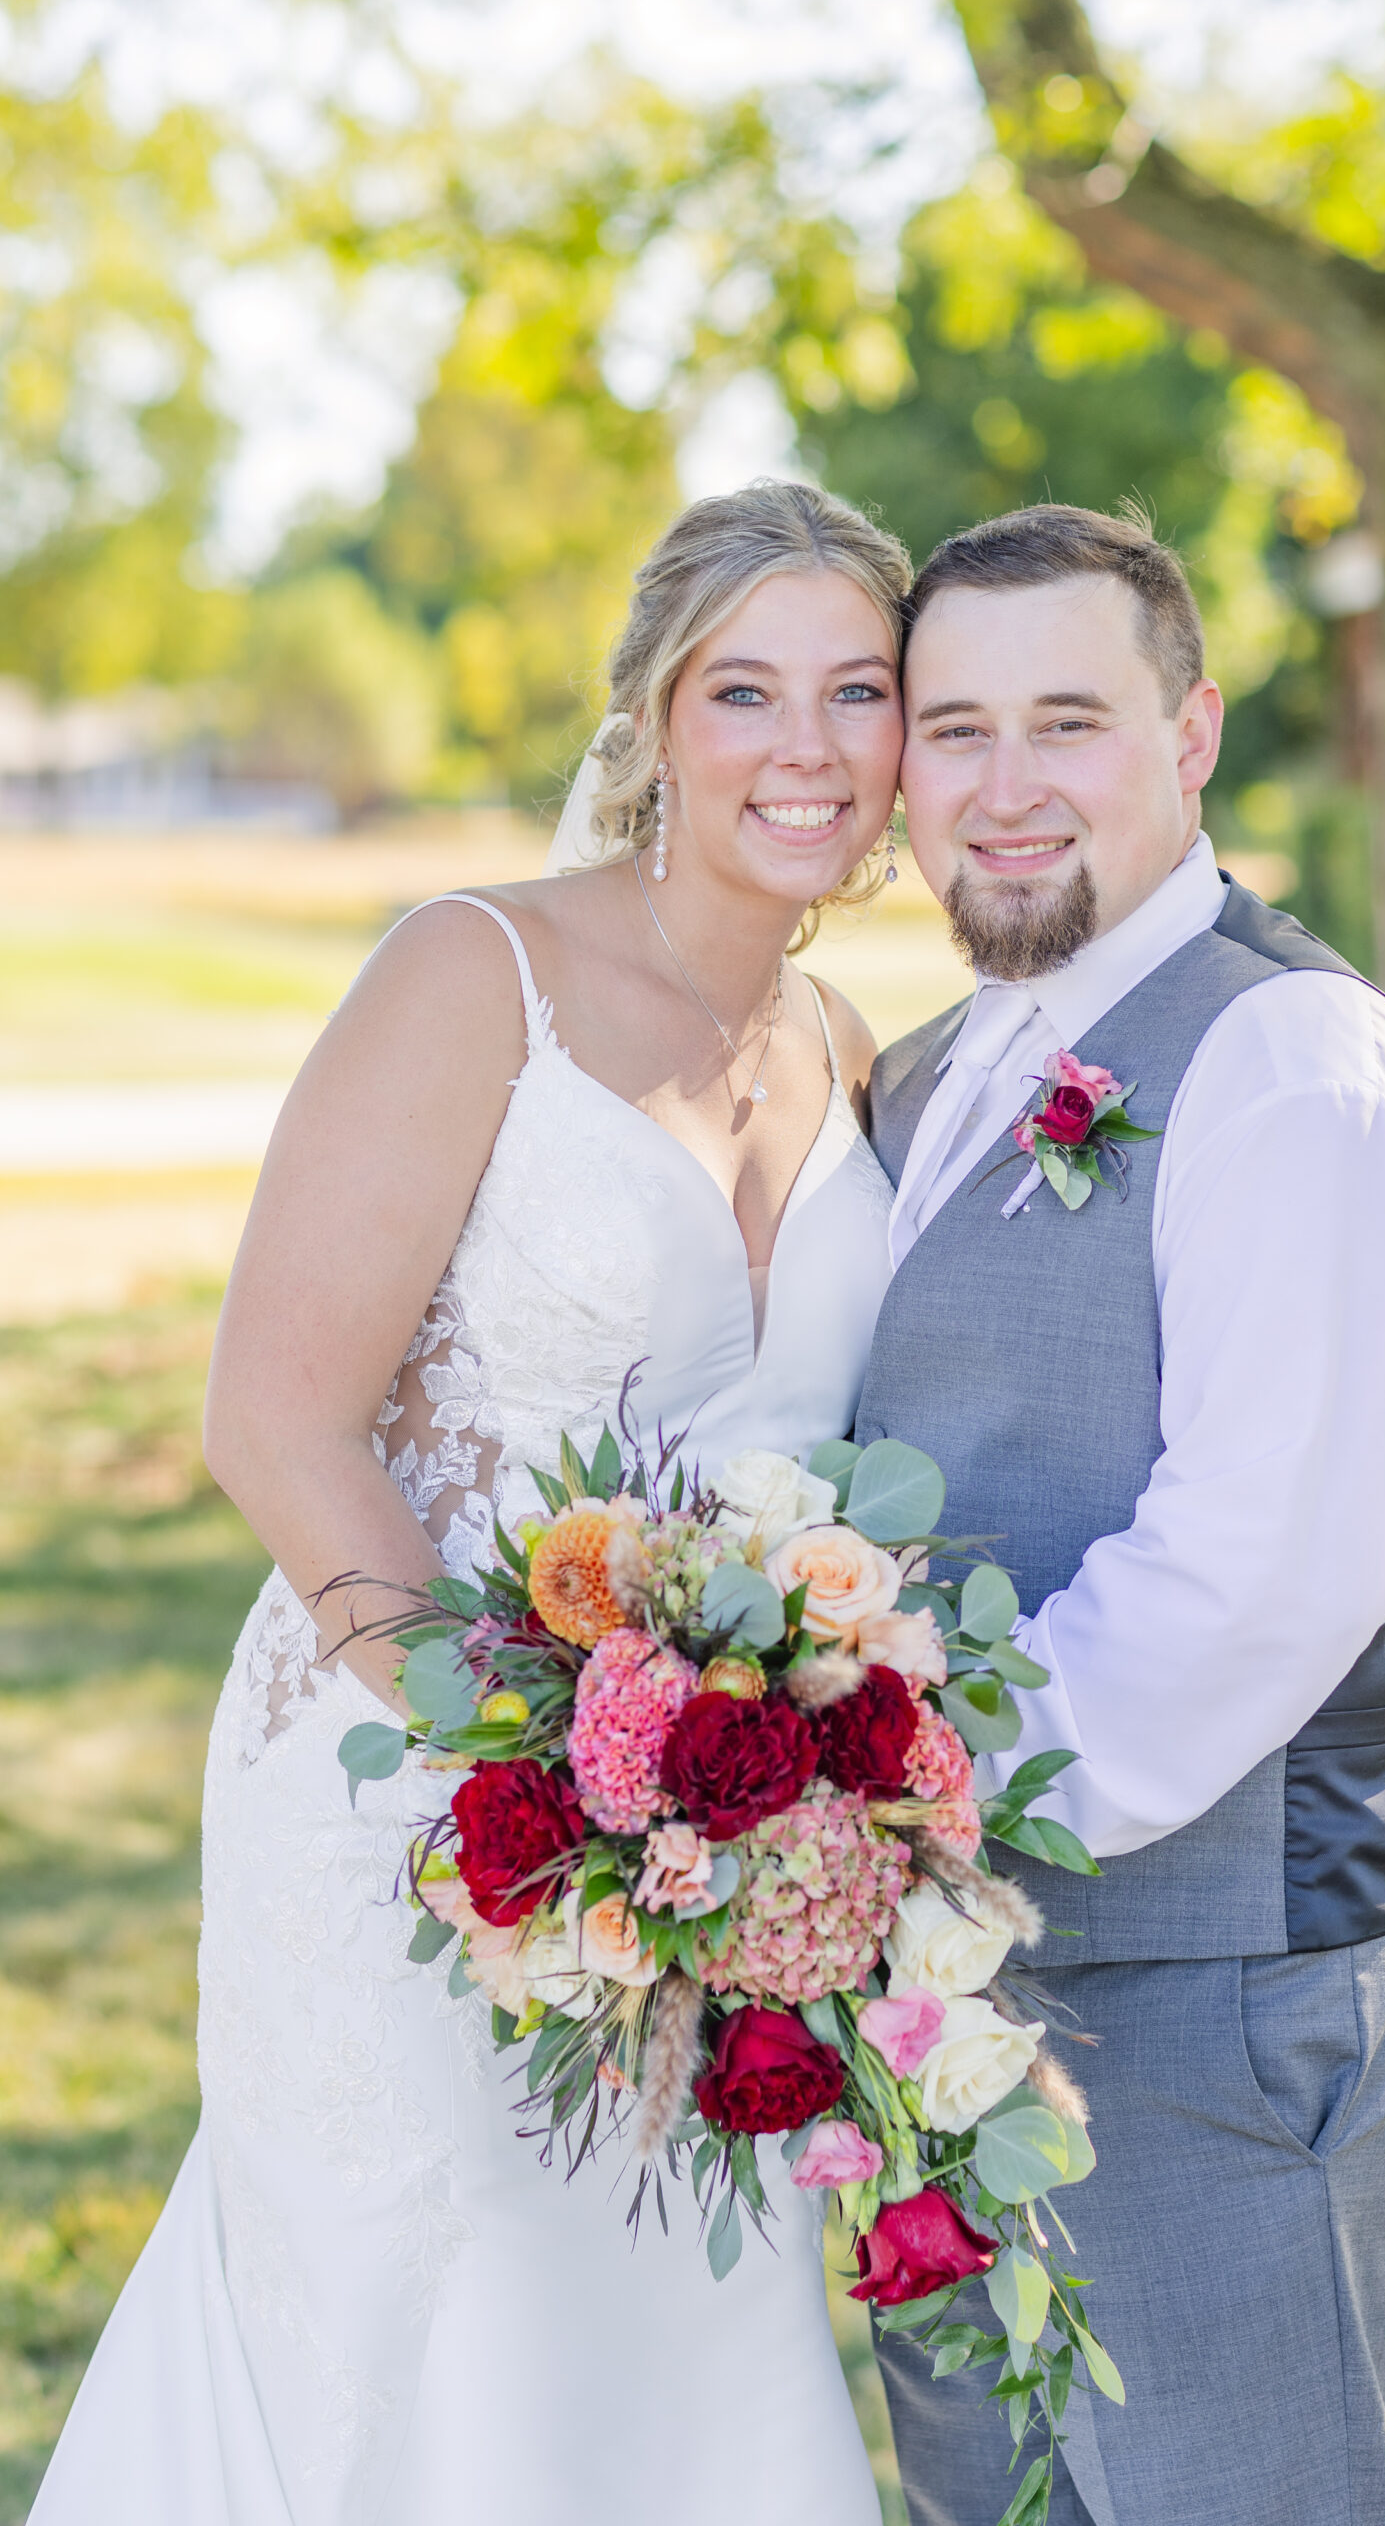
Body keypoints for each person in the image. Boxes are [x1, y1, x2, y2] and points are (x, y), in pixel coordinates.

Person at [29, 481, 907, 2526]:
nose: (804, 743)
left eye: (854, 691)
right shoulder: (473, 973)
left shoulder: (842, 1043)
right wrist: (542, 1796)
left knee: (668, 2328)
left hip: (708, 1821)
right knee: (440, 2332)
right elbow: (276, 1418)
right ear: (654, 719)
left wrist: (730, 1807)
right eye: (744, 688)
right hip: (410, 1799)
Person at [856, 502, 1385, 2526]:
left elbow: (1258, 1562)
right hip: (956, 1969)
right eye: (952, 726)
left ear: (1193, 731)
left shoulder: (1288, 1066)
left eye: (1067, 717)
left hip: (1223, 1987)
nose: (1004, 780)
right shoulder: (931, 1071)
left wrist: (874, 1797)